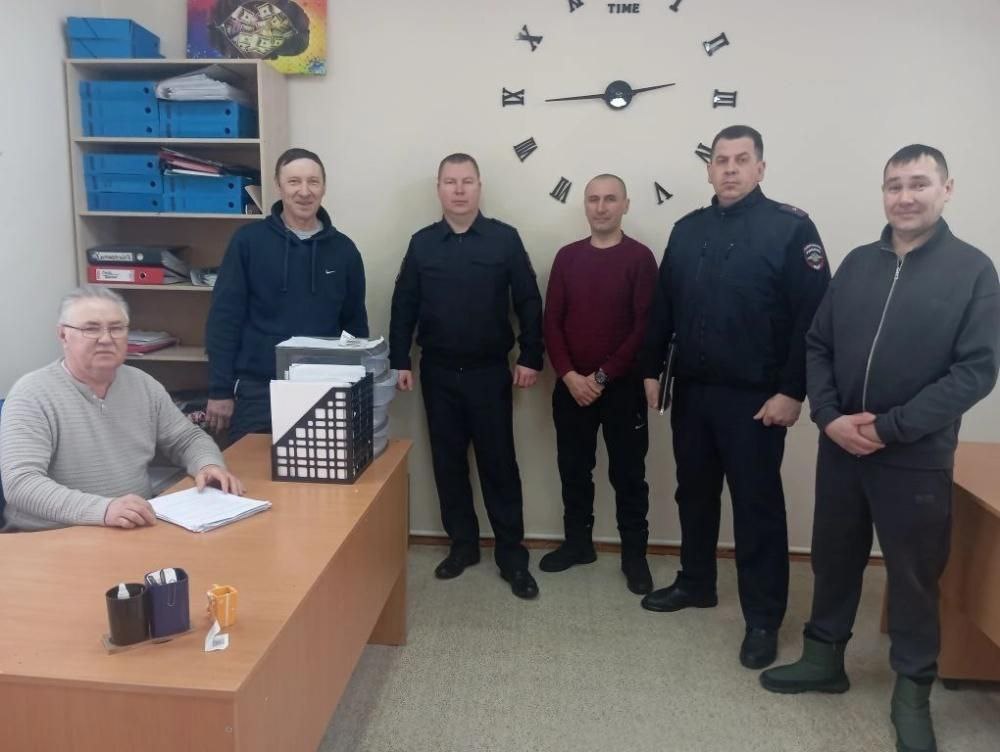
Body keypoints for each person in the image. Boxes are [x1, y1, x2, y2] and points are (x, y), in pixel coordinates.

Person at [760, 145, 1000, 752]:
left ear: (947, 189)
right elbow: (818, 343)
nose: (905, 196)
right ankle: (824, 659)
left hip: (914, 456)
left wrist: (890, 428)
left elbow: (975, 371)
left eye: (919, 183)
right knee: (834, 556)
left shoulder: (973, 271)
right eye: (895, 185)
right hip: (841, 447)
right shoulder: (857, 264)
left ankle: (911, 693)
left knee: (914, 576)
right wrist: (829, 417)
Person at [640, 125, 831, 668]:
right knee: (694, 494)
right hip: (694, 392)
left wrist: (793, 390)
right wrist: (651, 369)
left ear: (760, 168)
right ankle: (696, 582)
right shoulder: (687, 229)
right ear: (709, 169)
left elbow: (814, 318)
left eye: (741, 159)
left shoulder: (790, 229)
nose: (730, 169)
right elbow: (663, 305)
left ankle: (763, 617)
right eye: (721, 160)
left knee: (756, 507)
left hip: (756, 400)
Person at [389, 153, 544, 600]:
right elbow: (404, 304)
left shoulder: (504, 239)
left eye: (467, 181)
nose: (459, 190)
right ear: (438, 188)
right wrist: (400, 359)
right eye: (450, 182)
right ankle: (463, 546)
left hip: (489, 374)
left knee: (500, 466)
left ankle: (512, 556)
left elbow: (529, 301)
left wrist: (531, 356)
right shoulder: (422, 244)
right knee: (448, 464)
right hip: (438, 373)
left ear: (479, 186)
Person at [0, 286, 243, 533]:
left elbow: (186, 439)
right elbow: (21, 484)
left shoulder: (143, 385)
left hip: (130, 529)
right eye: (91, 328)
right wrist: (103, 510)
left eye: (116, 328)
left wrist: (207, 465)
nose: (106, 339)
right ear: (63, 335)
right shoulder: (32, 394)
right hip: (49, 536)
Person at [541, 174, 658, 594]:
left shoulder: (640, 258)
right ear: (585, 206)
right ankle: (578, 545)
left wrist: (602, 376)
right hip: (571, 388)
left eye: (610, 199)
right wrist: (570, 376)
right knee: (574, 471)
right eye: (594, 199)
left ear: (626, 205)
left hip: (623, 390)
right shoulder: (567, 257)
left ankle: (634, 556)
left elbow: (644, 328)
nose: (602, 207)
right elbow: (551, 322)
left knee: (629, 476)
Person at [205, 148, 369, 442]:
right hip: (258, 390)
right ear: (279, 187)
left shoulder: (344, 250)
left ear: (324, 187)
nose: (304, 191)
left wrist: (357, 389)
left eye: (313, 182)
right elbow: (224, 319)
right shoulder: (248, 242)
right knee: (251, 471)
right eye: (294, 182)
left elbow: (355, 325)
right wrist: (220, 389)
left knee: (319, 472)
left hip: (324, 390)